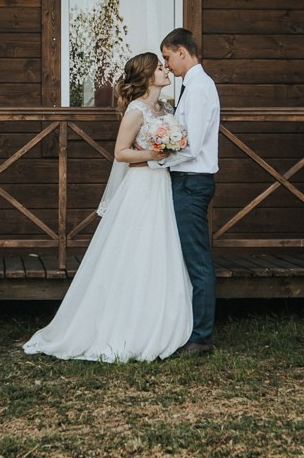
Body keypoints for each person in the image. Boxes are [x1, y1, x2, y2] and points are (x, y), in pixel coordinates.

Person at [22, 53, 192, 362]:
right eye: (160, 67)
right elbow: (121, 153)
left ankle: (158, 318)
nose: (166, 70)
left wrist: (171, 146)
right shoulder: (136, 111)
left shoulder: (165, 108)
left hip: (162, 186)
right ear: (147, 76)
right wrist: (153, 155)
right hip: (141, 188)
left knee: (158, 250)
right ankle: (122, 323)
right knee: (134, 252)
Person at [158, 27, 219, 357]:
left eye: (167, 57)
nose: (166, 65)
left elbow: (191, 145)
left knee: (197, 260)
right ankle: (192, 330)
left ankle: (201, 338)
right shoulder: (193, 86)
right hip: (188, 180)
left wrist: (157, 161)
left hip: (192, 182)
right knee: (190, 257)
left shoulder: (197, 89)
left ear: (182, 51)